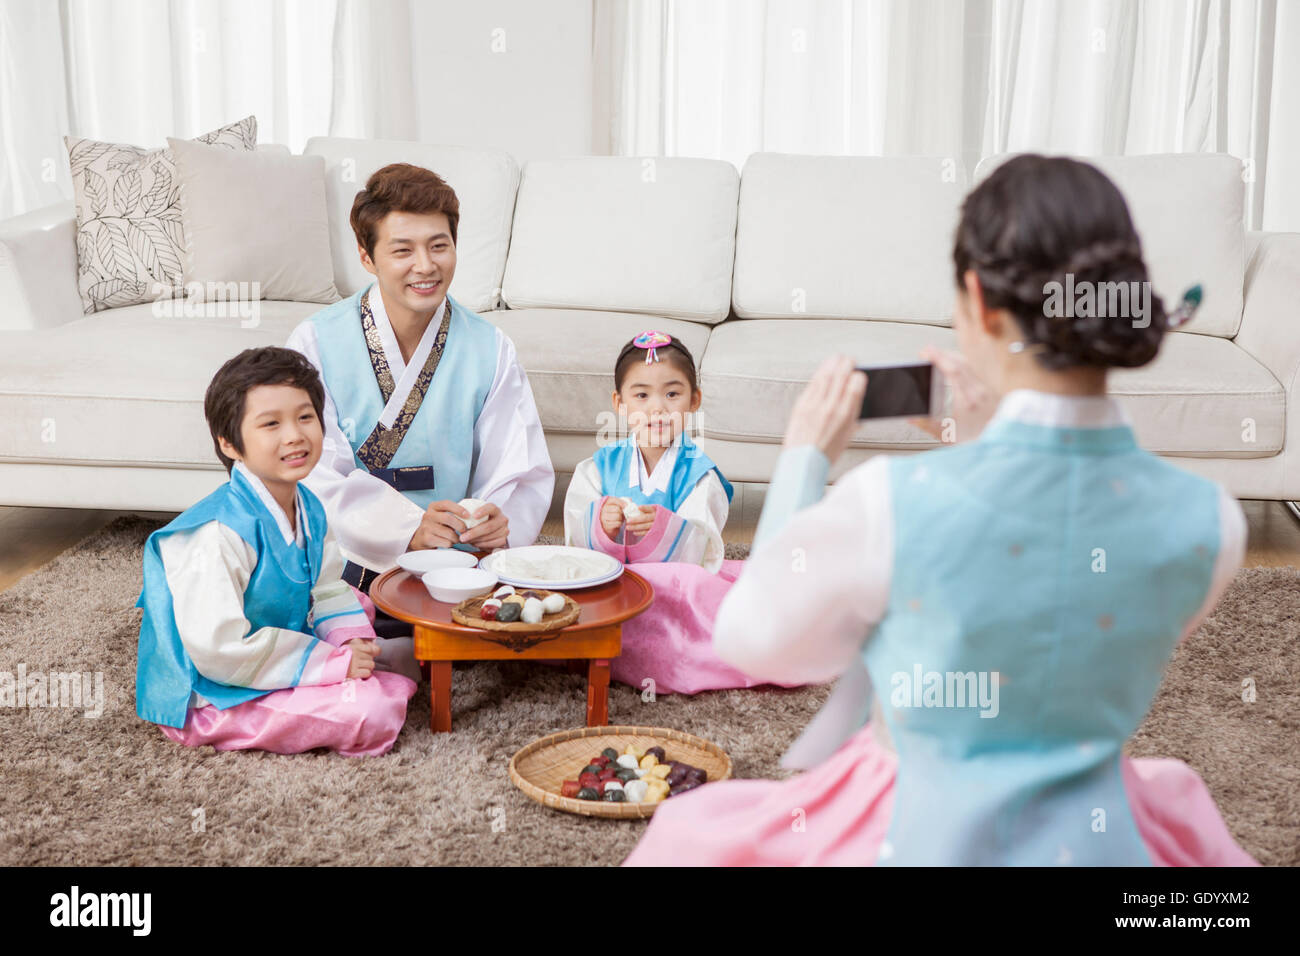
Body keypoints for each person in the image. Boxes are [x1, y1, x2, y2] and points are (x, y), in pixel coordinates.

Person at [624, 155, 1258, 865]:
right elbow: (1064, 603)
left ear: (979, 302)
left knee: (689, 837)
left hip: (914, 834)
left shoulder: (890, 501)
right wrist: (986, 444)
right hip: (1097, 835)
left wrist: (804, 459)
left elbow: (752, 639)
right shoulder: (1213, 521)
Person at [285, 163, 554, 653]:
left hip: (455, 557)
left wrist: (497, 519)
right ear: (367, 256)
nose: (425, 266)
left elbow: (517, 461)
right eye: (402, 250)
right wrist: (406, 528)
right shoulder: (315, 341)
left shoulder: (490, 347)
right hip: (347, 551)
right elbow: (309, 469)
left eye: (438, 245)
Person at [135, 347, 417, 757]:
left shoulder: (309, 506)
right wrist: (335, 665)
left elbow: (326, 590)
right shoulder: (214, 535)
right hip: (214, 687)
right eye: (271, 424)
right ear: (229, 443)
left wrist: (353, 644)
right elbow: (219, 650)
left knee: (359, 609)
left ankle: (349, 667)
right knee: (370, 712)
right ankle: (342, 682)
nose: (295, 435)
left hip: (275, 644)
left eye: (305, 417)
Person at [563, 332, 793, 694]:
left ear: (693, 401)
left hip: (669, 590)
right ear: (619, 403)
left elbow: (702, 552)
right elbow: (575, 538)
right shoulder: (597, 468)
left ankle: (635, 649)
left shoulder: (700, 474)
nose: (657, 409)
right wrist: (600, 524)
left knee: (700, 590)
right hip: (610, 585)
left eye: (672, 394)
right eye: (641, 395)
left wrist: (664, 529)